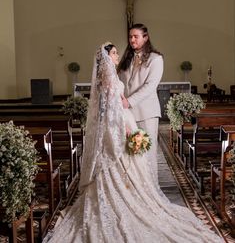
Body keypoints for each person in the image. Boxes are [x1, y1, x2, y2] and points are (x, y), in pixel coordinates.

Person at [43, 42, 223, 243]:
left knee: (125, 164)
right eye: (113, 53)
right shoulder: (109, 78)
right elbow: (112, 109)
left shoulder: (107, 76)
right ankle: (127, 200)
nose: (117, 55)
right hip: (121, 122)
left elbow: (109, 106)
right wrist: (127, 129)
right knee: (122, 162)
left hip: (119, 120)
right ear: (106, 57)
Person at [118, 23, 163, 187]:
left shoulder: (156, 59)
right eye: (130, 37)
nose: (132, 40)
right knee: (129, 153)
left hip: (146, 113)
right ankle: (135, 191)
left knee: (147, 153)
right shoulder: (126, 58)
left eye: (136, 36)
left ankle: (151, 190)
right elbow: (121, 83)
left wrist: (129, 101)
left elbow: (150, 86)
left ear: (146, 37)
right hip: (127, 114)